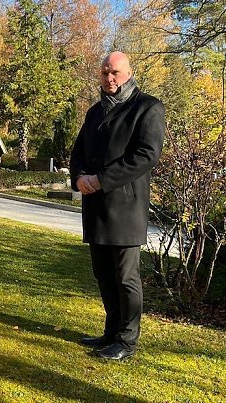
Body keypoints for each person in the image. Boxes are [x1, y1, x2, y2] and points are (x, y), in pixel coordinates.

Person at [69, 51, 165, 360]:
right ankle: (111, 332)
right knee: (103, 274)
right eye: (105, 72)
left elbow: (145, 155)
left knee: (125, 277)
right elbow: (79, 150)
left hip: (124, 207)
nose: (110, 78)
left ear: (129, 73)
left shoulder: (148, 107)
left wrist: (100, 180)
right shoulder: (95, 111)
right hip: (96, 206)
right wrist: (80, 176)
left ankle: (127, 340)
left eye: (116, 73)